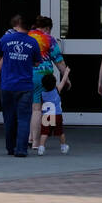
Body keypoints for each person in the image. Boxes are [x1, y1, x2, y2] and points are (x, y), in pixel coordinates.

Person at [0, 13, 42, 157]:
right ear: (30, 26)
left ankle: (10, 147)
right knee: (24, 118)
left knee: (9, 118)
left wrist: (9, 58)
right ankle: (21, 149)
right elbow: (37, 62)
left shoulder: (6, 39)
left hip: (7, 85)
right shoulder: (32, 42)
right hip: (25, 86)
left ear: (18, 23)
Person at [27, 15, 70, 149]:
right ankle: (35, 142)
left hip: (26, 75)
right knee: (38, 109)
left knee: (33, 108)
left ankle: (30, 137)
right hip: (43, 77)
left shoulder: (27, 36)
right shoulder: (48, 39)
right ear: (47, 28)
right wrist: (66, 78)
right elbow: (59, 61)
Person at [37, 72, 69, 155]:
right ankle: (63, 146)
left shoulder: (42, 94)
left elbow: (41, 105)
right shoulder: (57, 90)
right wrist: (67, 72)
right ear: (54, 83)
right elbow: (63, 80)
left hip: (46, 115)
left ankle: (41, 147)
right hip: (57, 115)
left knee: (44, 132)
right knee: (60, 132)